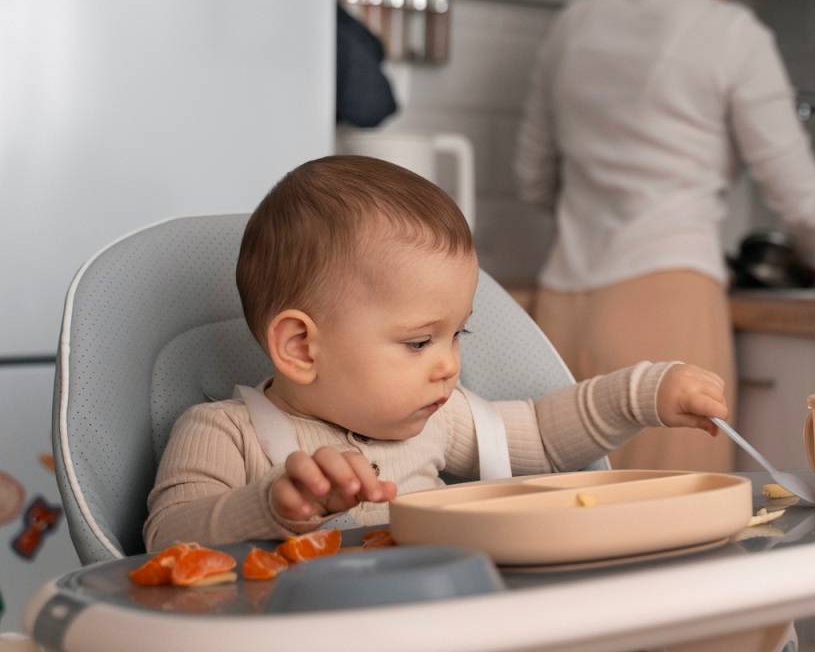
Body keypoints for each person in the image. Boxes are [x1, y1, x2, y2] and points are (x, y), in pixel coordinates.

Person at [143, 155, 728, 551]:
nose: (449, 364)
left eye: (457, 336)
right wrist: (272, 506)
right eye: (420, 342)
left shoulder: (439, 421)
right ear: (300, 347)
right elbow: (167, 536)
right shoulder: (224, 431)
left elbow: (547, 437)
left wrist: (644, 393)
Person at [514, 0, 815, 473]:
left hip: (561, 310)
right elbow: (803, 199)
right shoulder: (731, 32)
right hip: (667, 306)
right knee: (675, 539)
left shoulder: (572, 25)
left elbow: (533, 177)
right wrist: (813, 257)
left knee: (563, 534)